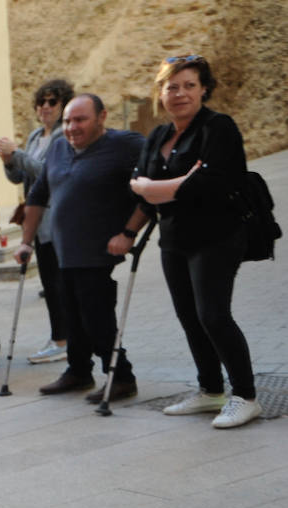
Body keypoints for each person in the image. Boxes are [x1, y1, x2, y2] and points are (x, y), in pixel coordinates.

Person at [130, 55, 262, 429]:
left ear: (204, 89)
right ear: (161, 94)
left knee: (213, 315)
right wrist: (166, 189)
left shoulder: (218, 128)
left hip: (217, 236)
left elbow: (212, 182)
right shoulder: (158, 136)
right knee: (190, 318)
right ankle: (211, 390)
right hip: (174, 240)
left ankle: (246, 396)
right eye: (172, 87)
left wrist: (154, 187)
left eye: (189, 85)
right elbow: (137, 184)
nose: (180, 93)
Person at [17, 94, 144, 402]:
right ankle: (78, 371)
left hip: (97, 248)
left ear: (102, 117)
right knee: (71, 314)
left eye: (80, 120)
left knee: (96, 316)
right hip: (62, 249)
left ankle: (122, 377)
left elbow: (148, 188)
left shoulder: (126, 144)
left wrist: (128, 233)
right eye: (67, 121)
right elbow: (38, 195)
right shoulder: (58, 147)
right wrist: (25, 241)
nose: (72, 127)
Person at [0, 78, 74, 365]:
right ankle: (61, 337)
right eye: (41, 102)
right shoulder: (35, 136)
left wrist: (17, 154)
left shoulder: (64, 136)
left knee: (58, 283)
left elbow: (46, 172)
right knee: (49, 283)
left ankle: (64, 339)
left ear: (63, 105)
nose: (45, 107)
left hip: (57, 219)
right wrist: (8, 160)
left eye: (52, 101)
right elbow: (20, 177)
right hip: (37, 220)